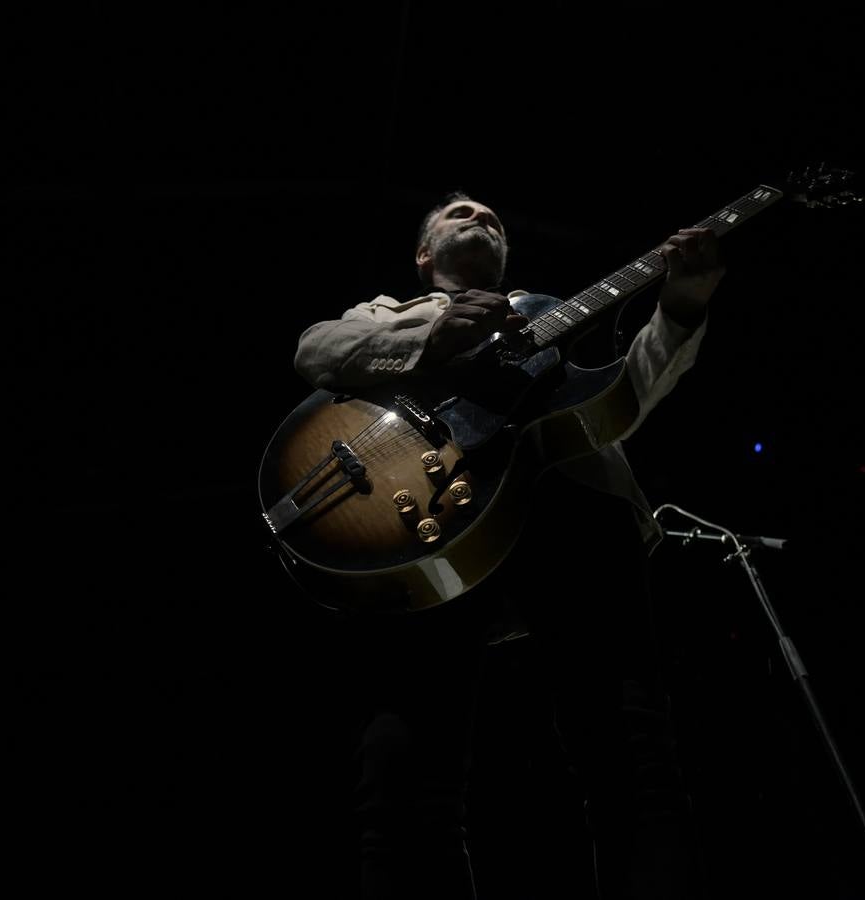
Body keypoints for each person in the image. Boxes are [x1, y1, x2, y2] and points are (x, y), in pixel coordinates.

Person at [293, 191, 724, 899]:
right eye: (458, 212)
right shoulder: (383, 311)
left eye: (490, 215)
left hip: (572, 501)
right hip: (424, 519)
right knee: (403, 770)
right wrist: (426, 342)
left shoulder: (552, 311)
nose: (478, 214)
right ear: (424, 255)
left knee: (630, 749)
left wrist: (681, 307)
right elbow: (316, 351)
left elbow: (626, 395)